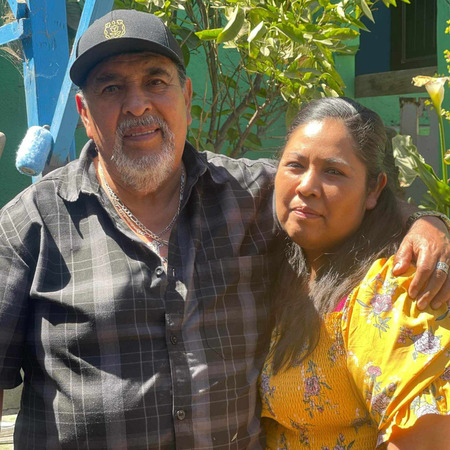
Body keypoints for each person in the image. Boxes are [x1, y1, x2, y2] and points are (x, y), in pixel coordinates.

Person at [0, 9, 448, 450]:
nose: (137, 104)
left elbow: (343, 192)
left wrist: (427, 224)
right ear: (84, 111)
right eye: (112, 87)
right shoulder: (31, 224)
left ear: (186, 95)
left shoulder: (251, 193)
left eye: (156, 82)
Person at [260, 97, 450, 449]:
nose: (306, 186)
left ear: (374, 189)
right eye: (295, 165)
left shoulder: (392, 288)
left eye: (333, 172)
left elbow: (426, 440)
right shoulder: (278, 263)